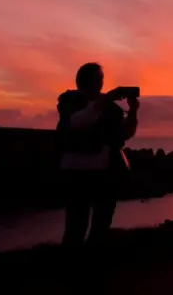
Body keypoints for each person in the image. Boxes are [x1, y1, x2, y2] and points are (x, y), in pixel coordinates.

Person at [56, 62, 140, 246]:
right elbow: (78, 123)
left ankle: (93, 262)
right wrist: (106, 99)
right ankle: (70, 265)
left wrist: (133, 111)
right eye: (98, 77)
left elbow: (124, 134)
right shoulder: (70, 101)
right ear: (84, 80)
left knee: (102, 222)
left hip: (103, 172)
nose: (101, 81)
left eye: (101, 77)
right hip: (76, 172)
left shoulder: (110, 107)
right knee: (76, 225)